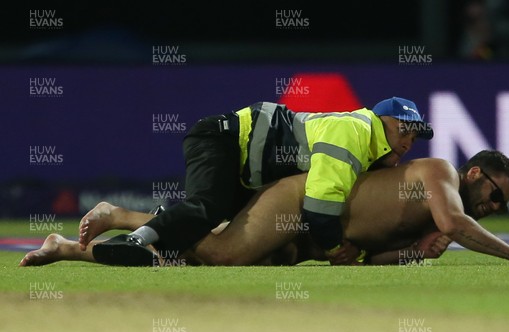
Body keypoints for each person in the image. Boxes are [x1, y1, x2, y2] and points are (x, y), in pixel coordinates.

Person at [21, 150, 509, 267]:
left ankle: (66, 250)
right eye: (494, 196)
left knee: (197, 261)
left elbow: (362, 261)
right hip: (302, 201)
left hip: (310, 242)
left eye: (500, 205)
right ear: (473, 174)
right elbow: (458, 221)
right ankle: (122, 216)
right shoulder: (439, 174)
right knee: (224, 254)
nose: (492, 208)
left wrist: (416, 256)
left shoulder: (438, 227)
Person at [79, 97, 434, 266]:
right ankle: (135, 238)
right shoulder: (355, 132)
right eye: (404, 130)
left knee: (219, 237)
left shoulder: (365, 143)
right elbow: (319, 206)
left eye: (414, 138)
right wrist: (333, 248)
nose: (408, 142)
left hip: (246, 166)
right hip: (222, 140)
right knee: (208, 208)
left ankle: (123, 217)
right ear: (381, 120)